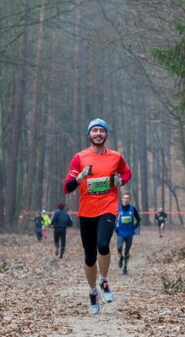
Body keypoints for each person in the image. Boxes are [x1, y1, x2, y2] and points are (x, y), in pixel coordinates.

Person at [63, 118, 132, 315]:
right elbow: (67, 187)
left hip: (108, 208)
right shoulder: (80, 157)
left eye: (101, 130)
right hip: (86, 212)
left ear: (106, 134)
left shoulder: (116, 157)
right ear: (89, 135)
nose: (98, 134)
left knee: (103, 245)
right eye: (94, 131)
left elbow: (127, 174)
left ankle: (104, 280)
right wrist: (80, 177)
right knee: (89, 256)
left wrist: (120, 180)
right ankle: (93, 292)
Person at [115, 193, 141, 275]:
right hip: (120, 232)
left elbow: (139, 219)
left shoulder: (132, 209)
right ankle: (120, 257)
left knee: (127, 251)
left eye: (127, 198)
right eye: (124, 198)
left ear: (129, 200)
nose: (126, 199)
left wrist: (134, 227)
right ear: (122, 199)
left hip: (129, 233)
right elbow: (112, 219)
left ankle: (125, 268)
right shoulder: (118, 209)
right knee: (119, 248)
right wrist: (115, 228)